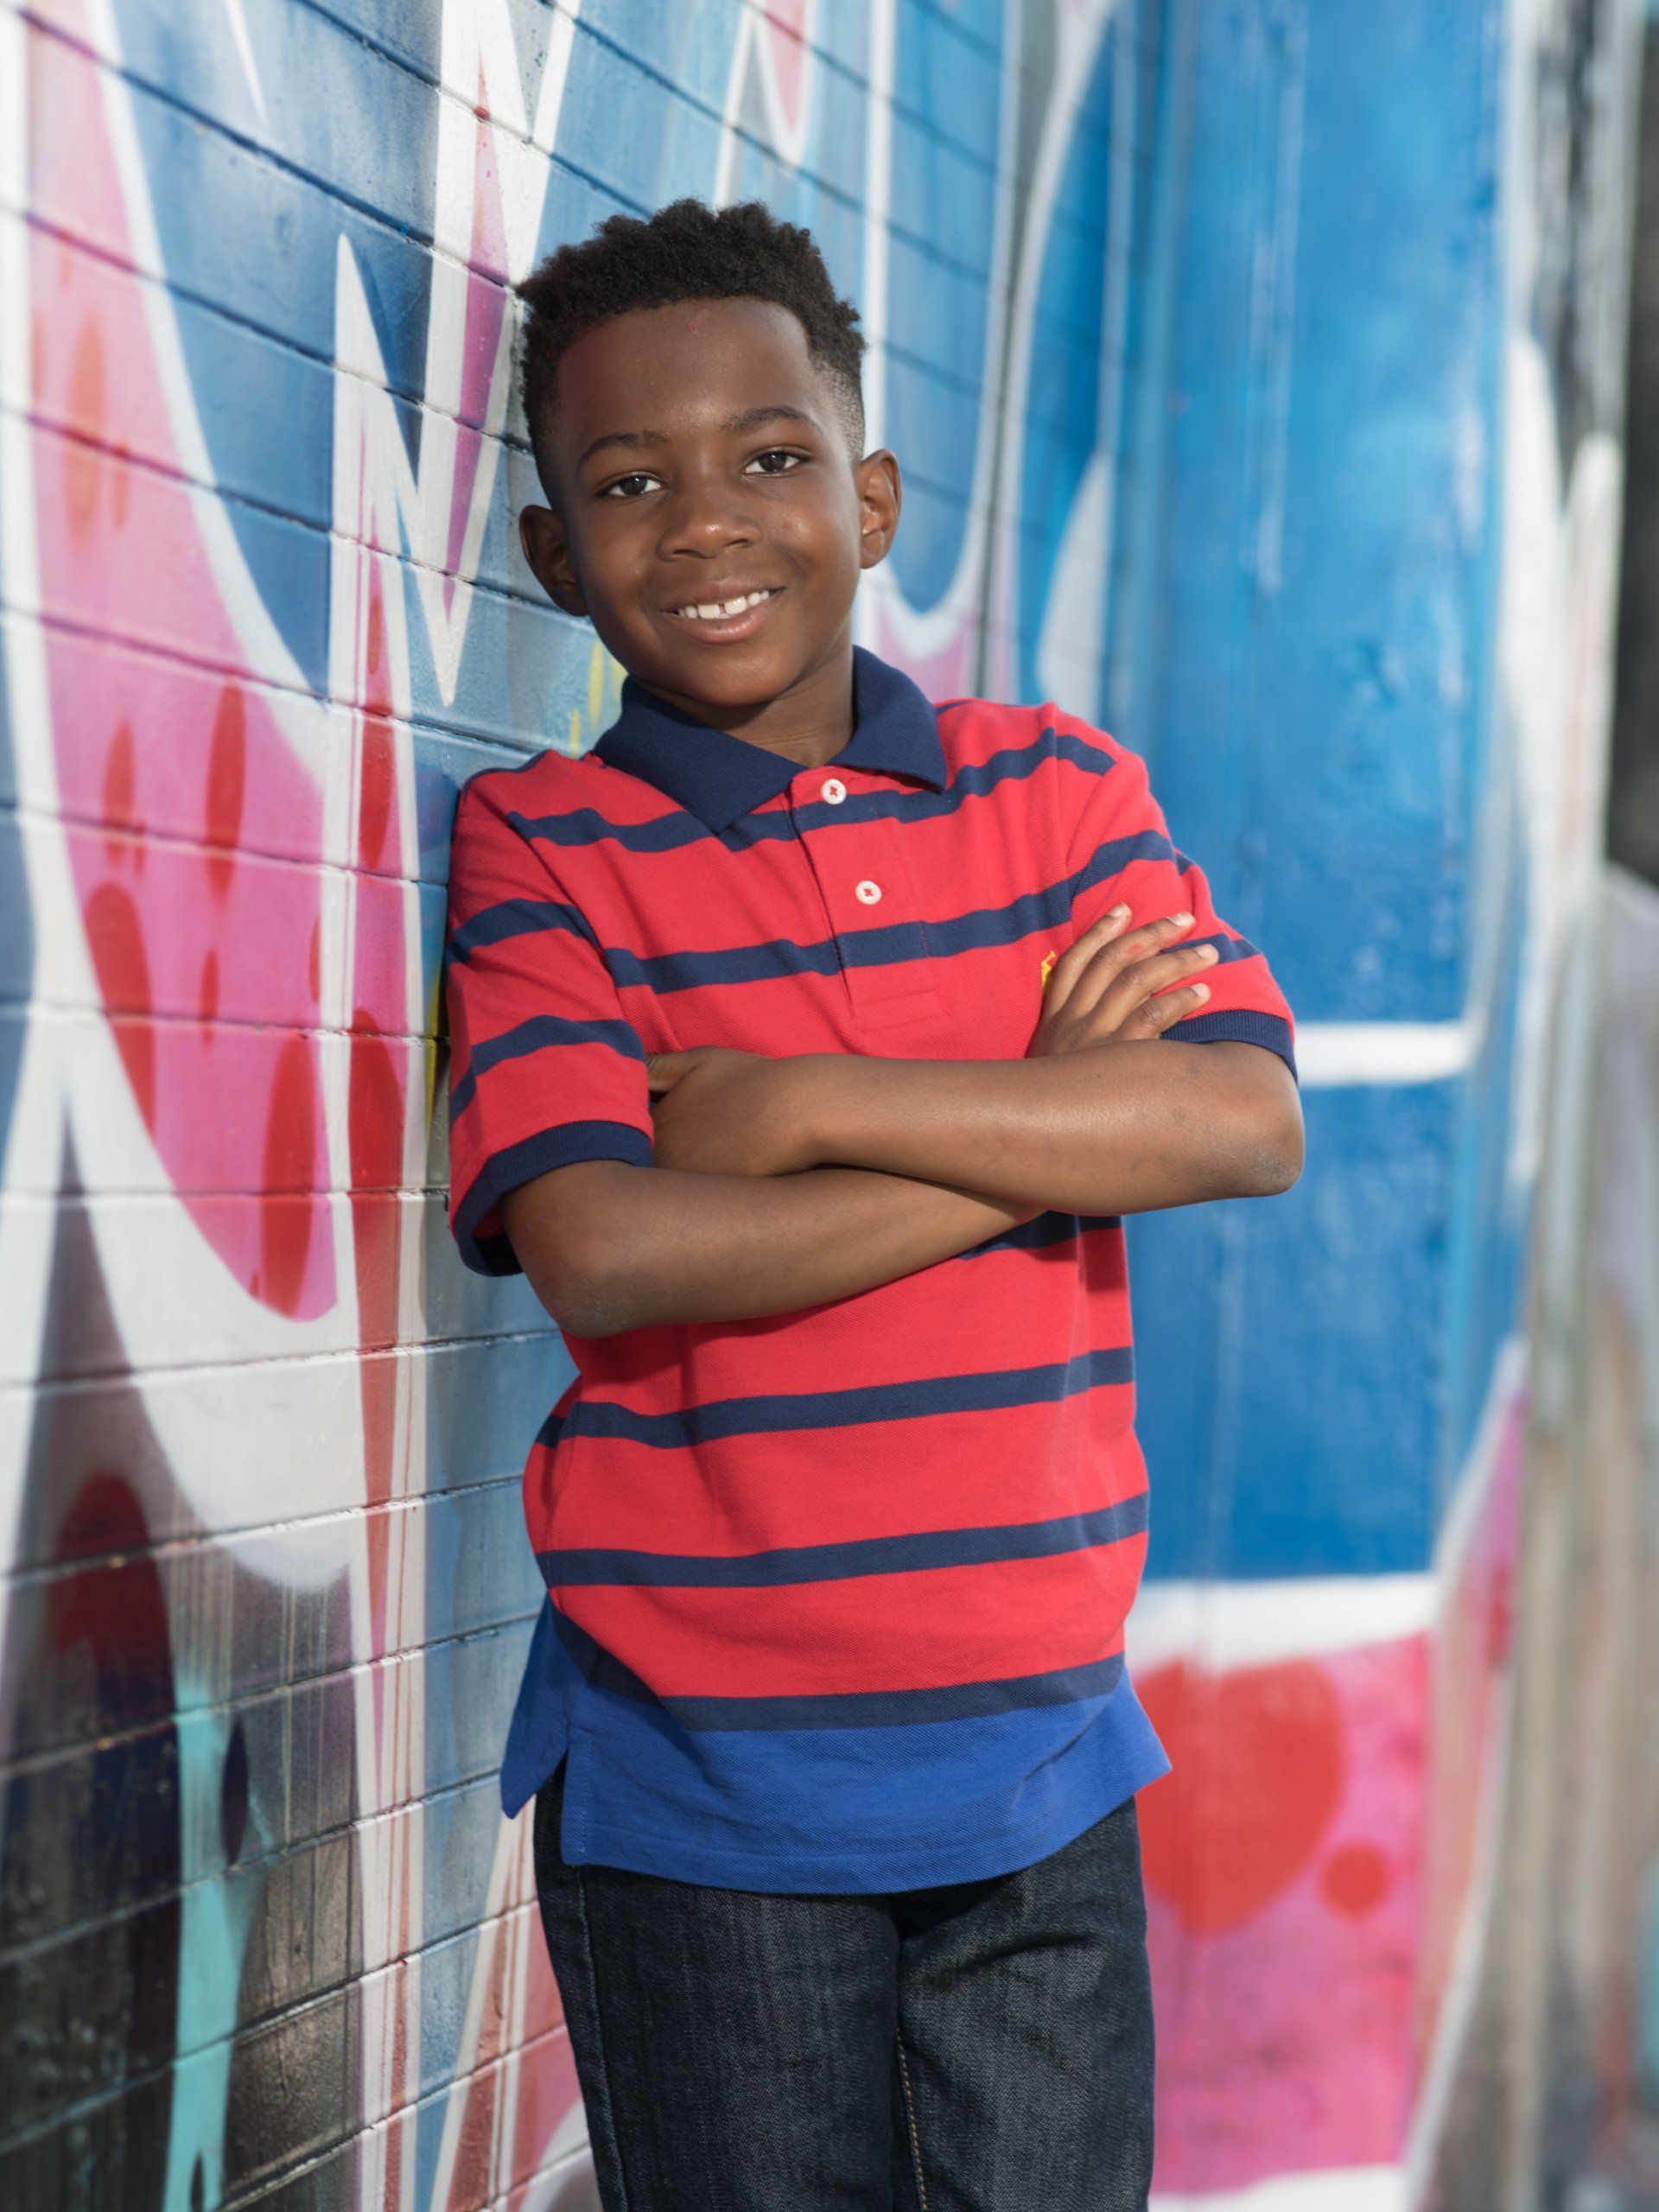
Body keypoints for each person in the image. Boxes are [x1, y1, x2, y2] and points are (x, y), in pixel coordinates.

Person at [442, 197, 1302, 2212]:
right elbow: (611, 1246)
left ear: (875, 494)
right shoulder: (545, 848)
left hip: (1041, 1767)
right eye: (629, 482)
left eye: (771, 456)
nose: (710, 521)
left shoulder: (1058, 791)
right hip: (704, 1782)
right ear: (556, 554)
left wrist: (811, 1108)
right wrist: (1039, 1120)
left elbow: (1241, 1120)